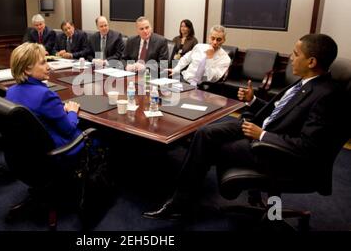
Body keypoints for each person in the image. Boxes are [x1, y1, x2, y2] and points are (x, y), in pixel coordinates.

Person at [143, 33, 346, 220]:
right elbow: (280, 112)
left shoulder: (327, 95)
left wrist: (263, 135)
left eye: (295, 54)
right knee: (204, 133)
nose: (292, 58)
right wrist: (253, 100)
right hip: (260, 129)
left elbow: (309, 147)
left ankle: (180, 202)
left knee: (212, 147)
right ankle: (187, 192)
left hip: (277, 153)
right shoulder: (305, 83)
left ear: (311, 61)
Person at [6, 42, 85, 155]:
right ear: (27, 70)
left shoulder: (10, 91)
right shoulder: (45, 95)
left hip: (27, 153)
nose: (48, 67)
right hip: (58, 150)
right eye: (43, 63)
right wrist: (72, 112)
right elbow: (68, 130)